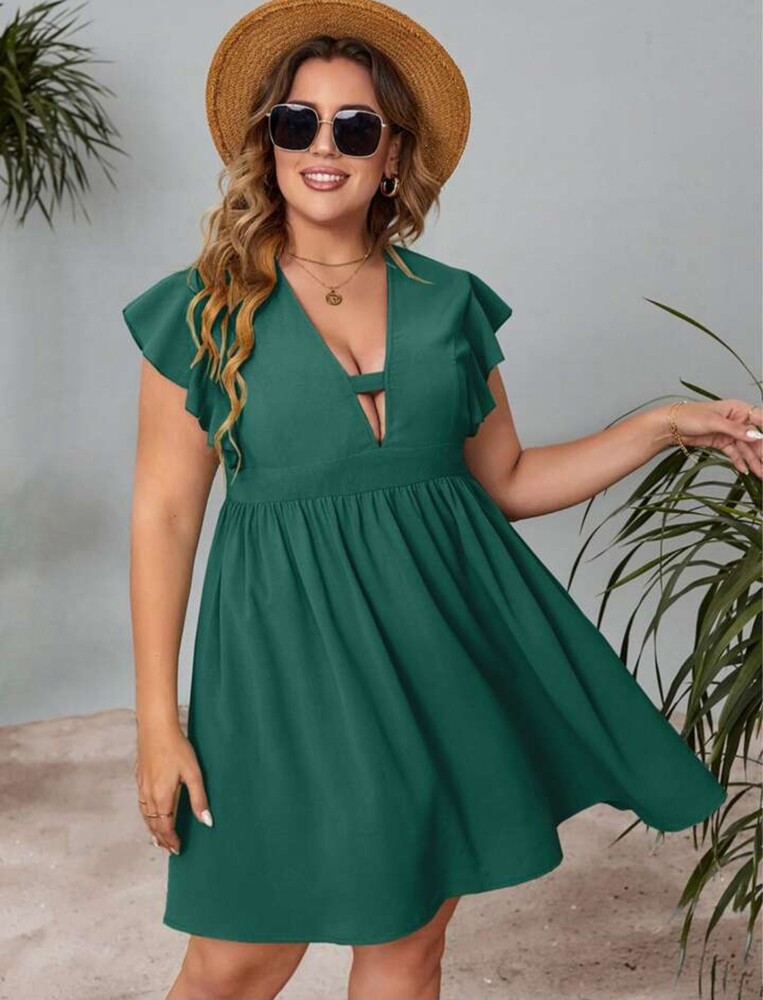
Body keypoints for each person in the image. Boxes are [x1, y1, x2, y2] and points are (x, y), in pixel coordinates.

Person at [122, 1, 763, 997]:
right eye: (296, 122)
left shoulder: (448, 301)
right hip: (278, 661)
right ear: (266, 142)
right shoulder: (203, 308)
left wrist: (661, 427)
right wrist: (157, 721)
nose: (322, 146)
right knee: (238, 957)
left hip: (440, 652)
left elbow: (505, 480)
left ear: (391, 156)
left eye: (354, 127)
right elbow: (164, 516)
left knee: (408, 944)